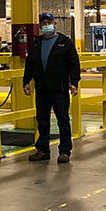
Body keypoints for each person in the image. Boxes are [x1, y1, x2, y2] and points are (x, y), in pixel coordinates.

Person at [23, 12, 81, 164]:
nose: (46, 25)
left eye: (49, 22)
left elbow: (74, 63)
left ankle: (64, 151)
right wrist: (26, 81)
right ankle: (42, 150)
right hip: (42, 89)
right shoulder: (36, 44)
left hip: (59, 89)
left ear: (55, 24)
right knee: (42, 121)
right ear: (40, 26)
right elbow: (29, 64)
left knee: (63, 121)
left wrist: (74, 82)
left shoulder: (64, 42)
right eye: (44, 23)